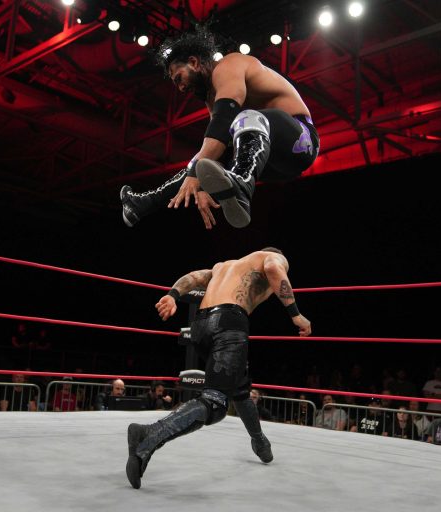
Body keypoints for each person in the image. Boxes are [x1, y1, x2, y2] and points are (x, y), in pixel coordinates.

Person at [126, 247, 311, 489]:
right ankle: (148, 435)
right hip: (228, 324)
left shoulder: (223, 266)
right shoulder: (271, 257)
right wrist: (296, 315)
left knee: (239, 386)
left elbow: (193, 277)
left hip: (200, 326)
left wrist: (172, 295)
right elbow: (273, 268)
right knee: (215, 403)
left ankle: (259, 442)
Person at [120, 27, 319, 230]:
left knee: (244, 118)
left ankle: (241, 184)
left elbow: (223, 122)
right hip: (271, 163)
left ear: (194, 62)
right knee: (206, 158)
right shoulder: (212, 97)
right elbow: (215, 147)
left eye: (179, 78)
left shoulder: (228, 65)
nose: (181, 88)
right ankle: (142, 204)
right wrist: (204, 185)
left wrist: (196, 175)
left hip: (300, 142)